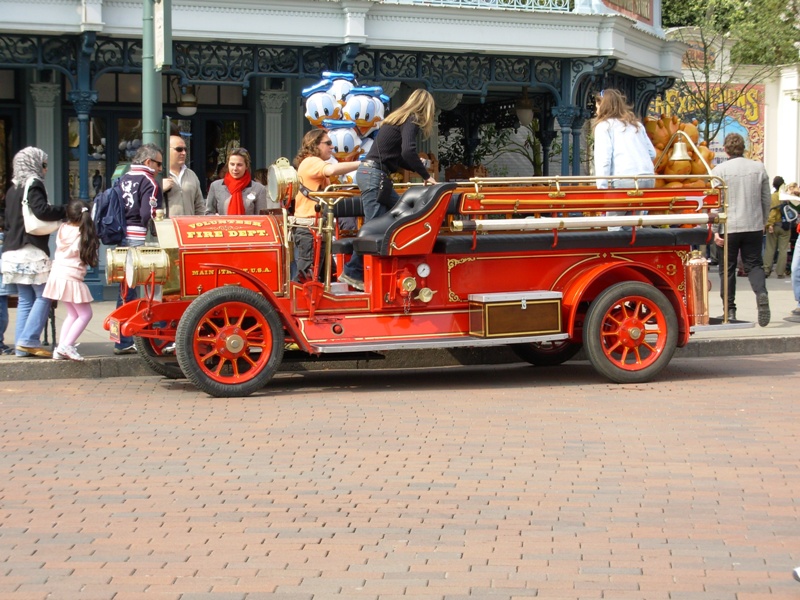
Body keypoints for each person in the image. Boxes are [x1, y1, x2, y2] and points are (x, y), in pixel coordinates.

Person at [339, 88, 437, 291]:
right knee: (375, 224)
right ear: (426, 108)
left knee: (399, 217)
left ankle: (384, 268)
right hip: (375, 175)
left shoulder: (396, 119)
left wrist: (419, 169)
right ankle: (352, 272)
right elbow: (408, 151)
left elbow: (400, 157)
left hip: (373, 174)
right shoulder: (412, 118)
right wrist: (427, 177)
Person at [1, 147, 66, 358]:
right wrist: (66, 210)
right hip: (31, 250)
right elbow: (41, 211)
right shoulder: (34, 184)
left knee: (26, 298)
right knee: (45, 295)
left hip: (12, 251)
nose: (45, 170)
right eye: (44, 165)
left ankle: (22, 345)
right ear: (35, 165)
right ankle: (28, 340)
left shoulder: (12, 189)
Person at [711, 132, 771, 326]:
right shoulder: (758, 168)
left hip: (729, 226)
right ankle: (761, 294)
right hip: (752, 224)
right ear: (744, 148)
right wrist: (762, 221)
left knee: (727, 270)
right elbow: (766, 199)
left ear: (726, 149)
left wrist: (715, 229)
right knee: (754, 265)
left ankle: (730, 310)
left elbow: (716, 203)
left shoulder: (718, 170)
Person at [114, 143, 164, 355]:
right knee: (150, 287)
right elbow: (147, 213)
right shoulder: (149, 181)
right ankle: (147, 336)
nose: (160, 168)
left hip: (120, 236)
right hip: (137, 238)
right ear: (148, 162)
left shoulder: (122, 179)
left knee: (124, 290)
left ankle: (121, 340)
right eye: (158, 164)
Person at [291, 130, 361, 282]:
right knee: (306, 278)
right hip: (310, 229)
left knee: (326, 277)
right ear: (314, 145)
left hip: (316, 228)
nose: (332, 147)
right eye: (328, 143)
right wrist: (363, 163)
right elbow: (332, 170)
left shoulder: (311, 163)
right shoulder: (312, 161)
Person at [43, 199, 99, 362]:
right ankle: (66, 345)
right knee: (85, 314)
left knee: (73, 314)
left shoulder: (63, 228)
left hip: (58, 274)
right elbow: (79, 250)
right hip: (71, 276)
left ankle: (61, 348)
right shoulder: (82, 233)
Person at [592, 88, 656, 227]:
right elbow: (652, 153)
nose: (596, 110)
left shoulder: (604, 126)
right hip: (647, 179)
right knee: (634, 225)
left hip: (624, 179)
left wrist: (602, 189)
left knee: (614, 225)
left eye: (597, 106)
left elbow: (603, 159)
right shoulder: (636, 124)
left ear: (603, 105)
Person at [205, 148, 276, 215]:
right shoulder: (215, 186)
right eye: (232, 164)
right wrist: (216, 219)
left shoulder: (259, 189)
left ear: (246, 166)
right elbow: (208, 213)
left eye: (239, 165)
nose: (235, 168)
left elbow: (262, 218)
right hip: (223, 227)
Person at [162, 134, 205, 216]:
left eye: (185, 149)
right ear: (167, 150)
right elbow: (147, 202)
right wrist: (159, 189)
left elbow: (199, 206)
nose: (184, 153)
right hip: (167, 226)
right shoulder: (159, 175)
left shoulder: (191, 175)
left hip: (189, 227)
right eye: (179, 149)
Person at [763, 175, 791, 278]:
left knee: (770, 248)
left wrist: (769, 223)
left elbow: (772, 211)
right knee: (783, 249)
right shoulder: (786, 196)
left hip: (774, 225)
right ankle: (780, 272)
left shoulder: (773, 197)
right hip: (785, 225)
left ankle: (766, 269)